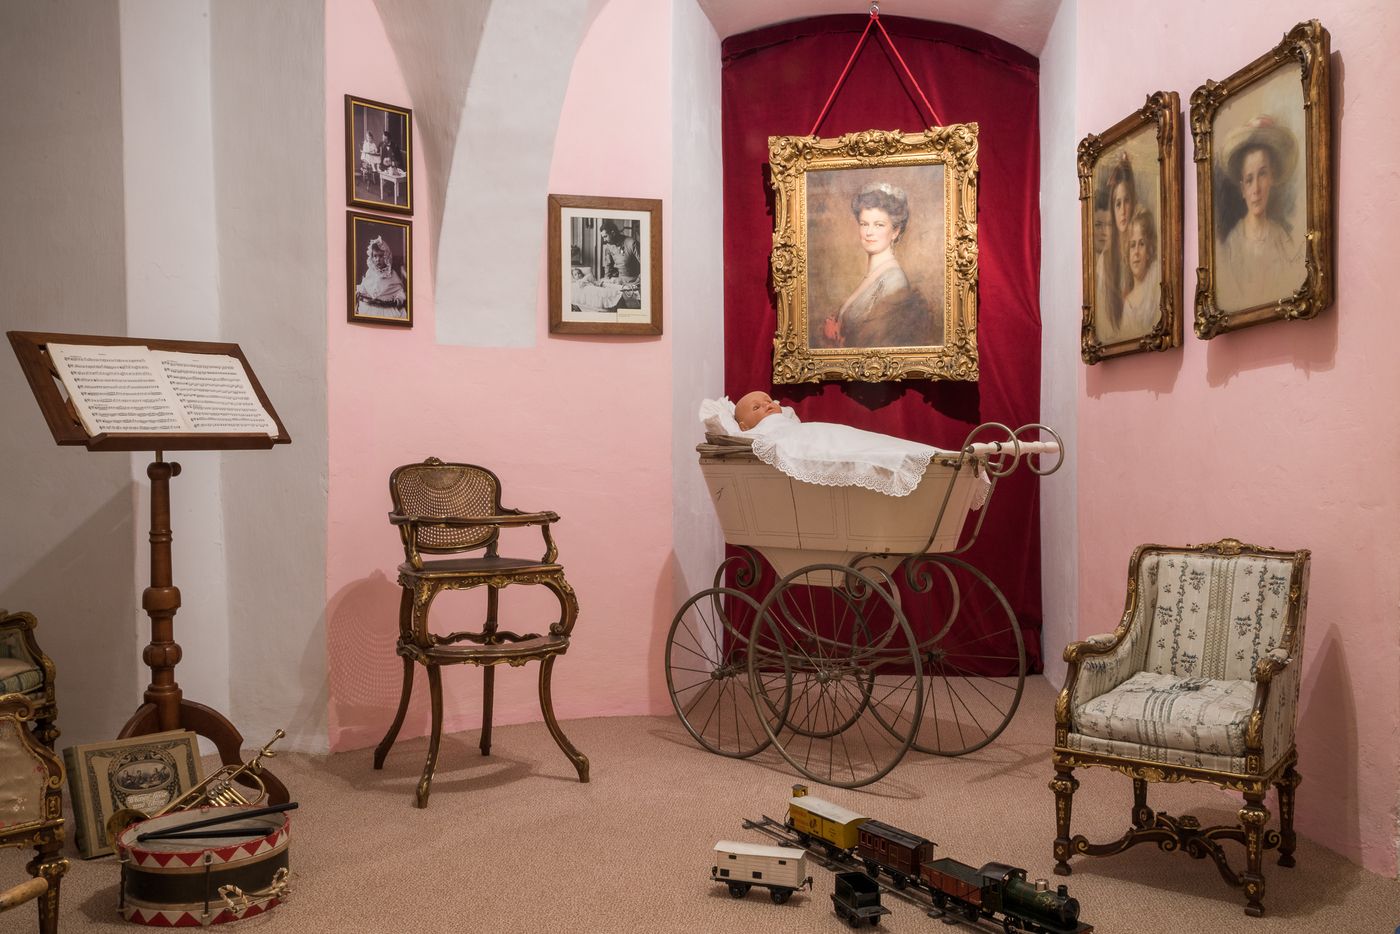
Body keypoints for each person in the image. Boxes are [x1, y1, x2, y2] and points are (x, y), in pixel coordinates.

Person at [820, 181, 939, 350]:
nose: (869, 232)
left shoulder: (894, 281)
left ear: (895, 231)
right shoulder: (874, 274)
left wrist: (836, 339)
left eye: (879, 225)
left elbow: (877, 347)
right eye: (864, 224)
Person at [1214, 115, 1305, 312]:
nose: (1256, 189)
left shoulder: (1282, 239)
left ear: (1272, 177)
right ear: (1242, 189)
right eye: (1249, 179)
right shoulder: (1232, 245)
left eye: (1262, 174)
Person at [1094, 153, 1137, 338]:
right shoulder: (1105, 261)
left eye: (1127, 201)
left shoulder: (1140, 248)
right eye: (1118, 204)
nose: (1123, 210)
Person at [1113, 205, 1161, 342]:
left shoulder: (1155, 278)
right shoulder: (1127, 305)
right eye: (1132, 245)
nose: (1136, 253)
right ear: (1127, 254)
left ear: (1149, 250)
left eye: (1141, 244)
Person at [355, 236, 407, 319]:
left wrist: (398, 299)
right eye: (375, 256)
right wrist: (359, 291)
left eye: (381, 256)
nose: (377, 259)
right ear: (372, 257)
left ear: (386, 257)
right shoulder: (370, 272)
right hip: (370, 306)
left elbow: (400, 291)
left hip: (386, 308)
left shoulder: (392, 274)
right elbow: (365, 286)